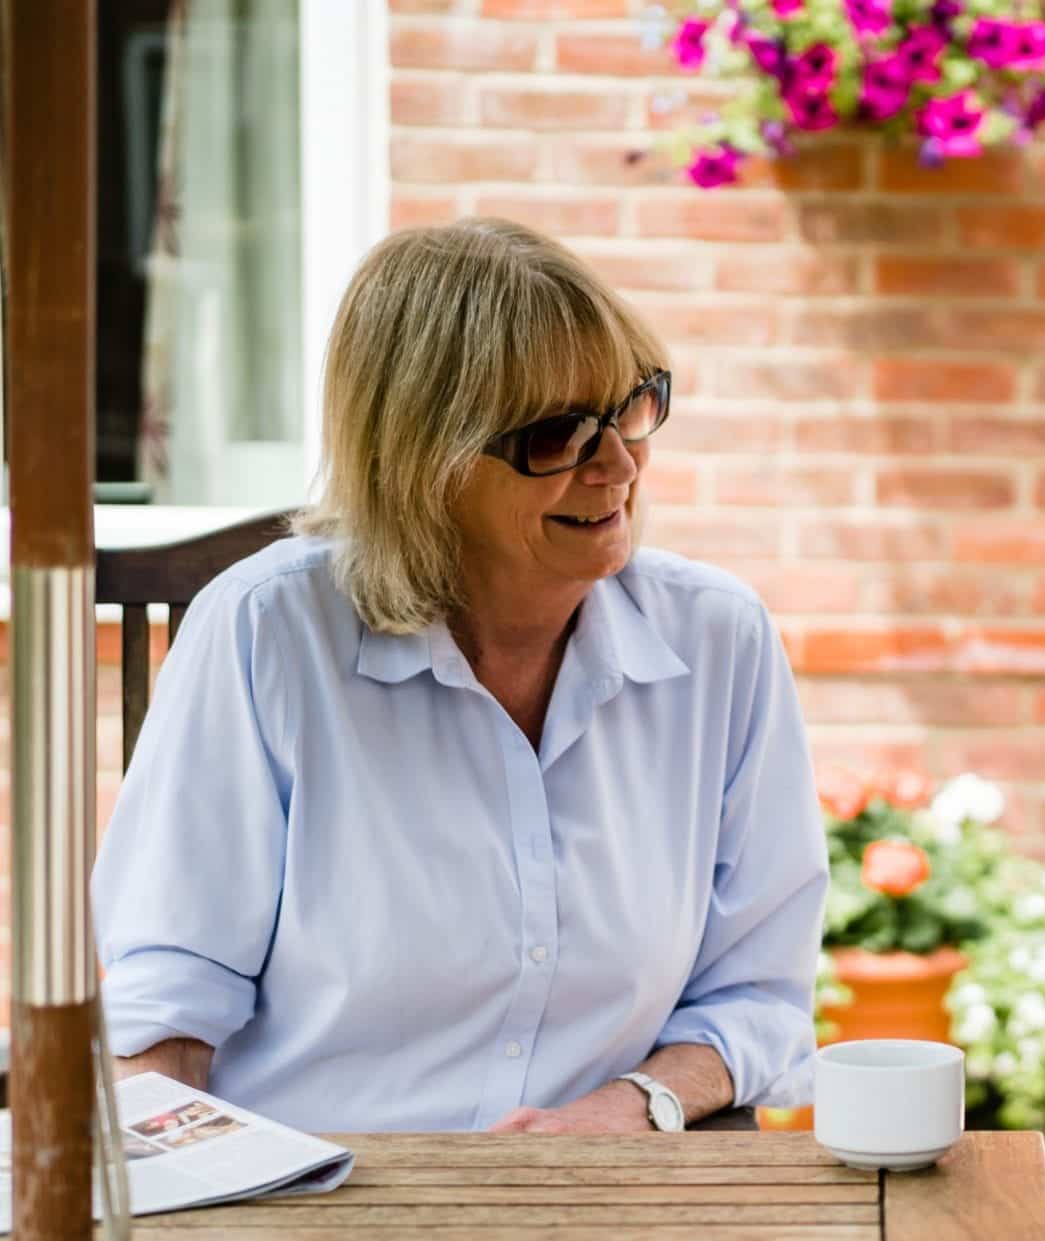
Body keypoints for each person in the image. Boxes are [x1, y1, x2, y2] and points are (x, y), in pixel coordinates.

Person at [94, 218, 828, 1134]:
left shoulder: (720, 641)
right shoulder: (266, 634)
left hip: (597, 1185)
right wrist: (189, 1181)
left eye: (632, 407)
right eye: (558, 434)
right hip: (319, 1182)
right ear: (423, 462)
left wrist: (632, 1107)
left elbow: (756, 992)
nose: (618, 464)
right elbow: (167, 1004)